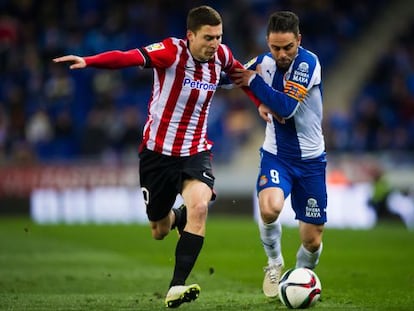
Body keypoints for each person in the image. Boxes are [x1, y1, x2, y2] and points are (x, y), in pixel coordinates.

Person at [53, 5, 260, 309]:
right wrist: (89, 61)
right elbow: (128, 57)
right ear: (190, 35)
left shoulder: (222, 56)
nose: (214, 43)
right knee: (159, 230)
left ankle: (176, 286)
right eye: (208, 37)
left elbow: (243, 77)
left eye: (218, 37)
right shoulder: (170, 51)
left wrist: (261, 105)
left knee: (200, 205)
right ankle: (178, 216)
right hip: (157, 155)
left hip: (195, 151)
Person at [231, 11, 327, 298]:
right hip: (276, 156)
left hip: (311, 161)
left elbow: (285, 108)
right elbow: (230, 74)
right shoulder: (263, 63)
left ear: (299, 40)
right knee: (270, 207)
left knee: (311, 240)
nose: (282, 54)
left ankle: (299, 279)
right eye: (275, 48)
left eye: (288, 47)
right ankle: (274, 263)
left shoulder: (308, 63)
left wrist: (254, 83)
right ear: (267, 42)